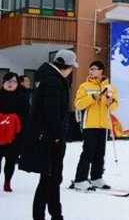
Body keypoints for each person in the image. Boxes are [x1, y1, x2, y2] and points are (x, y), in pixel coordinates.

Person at [19, 49, 78, 220]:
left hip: (46, 135)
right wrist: (58, 135)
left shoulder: (45, 76)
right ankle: (42, 216)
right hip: (50, 138)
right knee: (48, 180)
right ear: (67, 67)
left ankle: (56, 214)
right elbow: (51, 111)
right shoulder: (54, 81)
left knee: (52, 179)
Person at [71, 61, 119, 190]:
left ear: (101, 71)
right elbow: (78, 104)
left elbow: (115, 106)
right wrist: (92, 98)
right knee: (88, 152)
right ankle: (80, 179)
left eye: (94, 69)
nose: (91, 71)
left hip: (104, 124)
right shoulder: (84, 86)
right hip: (89, 124)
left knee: (100, 152)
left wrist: (111, 101)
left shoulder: (110, 87)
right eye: (90, 69)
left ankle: (96, 177)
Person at [0, 72, 30, 192]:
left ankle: (7, 182)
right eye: (8, 81)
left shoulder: (22, 98)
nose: (10, 84)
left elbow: (26, 116)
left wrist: (15, 120)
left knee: (10, 160)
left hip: (14, 135)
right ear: (3, 83)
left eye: (13, 81)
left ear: (18, 84)